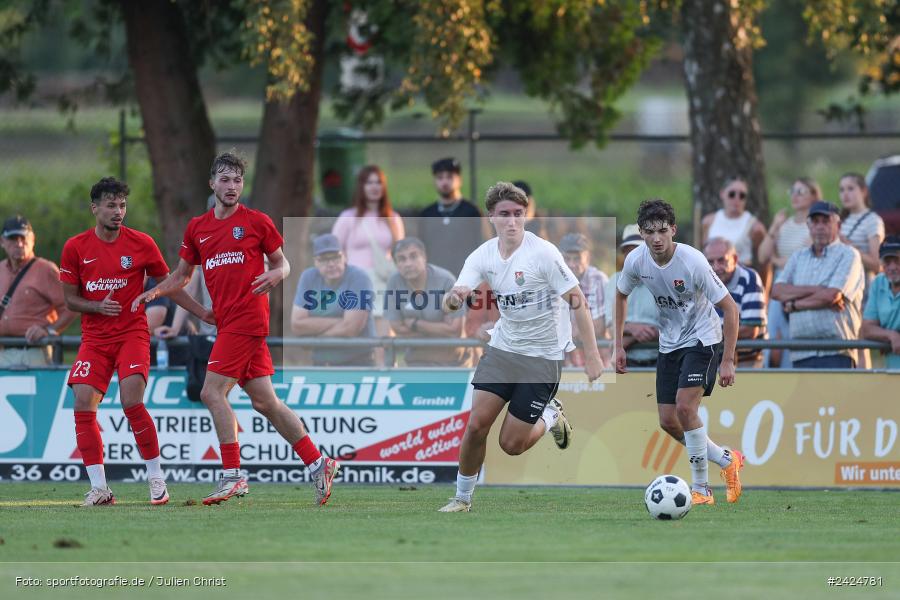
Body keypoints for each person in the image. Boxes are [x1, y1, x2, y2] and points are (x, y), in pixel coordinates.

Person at [134, 152, 339, 507]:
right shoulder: (198, 227)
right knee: (266, 401)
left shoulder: (256, 221)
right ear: (212, 184)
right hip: (227, 321)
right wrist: (157, 291)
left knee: (212, 393)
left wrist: (279, 273)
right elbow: (183, 276)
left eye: (238, 181)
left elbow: (283, 263)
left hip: (248, 318)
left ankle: (232, 476)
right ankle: (319, 462)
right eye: (225, 180)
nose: (232, 187)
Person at [438, 182, 603, 513]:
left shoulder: (543, 253)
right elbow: (455, 294)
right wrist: (453, 299)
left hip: (542, 358)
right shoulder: (483, 254)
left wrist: (594, 356)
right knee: (476, 425)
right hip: (503, 350)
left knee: (510, 444)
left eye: (518, 214)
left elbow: (578, 301)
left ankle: (551, 414)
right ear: (491, 218)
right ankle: (462, 498)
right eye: (504, 215)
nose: (512, 221)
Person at [60, 177, 210, 506]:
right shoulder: (75, 247)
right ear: (95, 208)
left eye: (122, 205)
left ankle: (156, 478)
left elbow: (171, 283)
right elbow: (69, 300)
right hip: (95, 339)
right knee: (83, 402)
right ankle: (100, 488)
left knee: (131, 401)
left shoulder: (142, 243)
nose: (118, 211)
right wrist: (96, 306)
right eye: (111, 205)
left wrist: (201, 312)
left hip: (131, 334)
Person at [615, 199, 744, 506]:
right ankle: (726, 459)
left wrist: (727, 360)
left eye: (662, 230)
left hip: (703, 339)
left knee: (686, 409)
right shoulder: (636, 261)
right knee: (668, 420)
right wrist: (617, 343)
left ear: (673, 229)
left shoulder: (693, 261)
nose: (656, 238)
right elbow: (620, 295)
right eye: (649, 232)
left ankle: (702, 489)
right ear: (642, 234)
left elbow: (730, 309)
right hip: (669, 342)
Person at [771, 201, 865, 369]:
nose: (820, 226)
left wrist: (794, 304)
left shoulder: (849, 255)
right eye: (815, 221)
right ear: (809, 226)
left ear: (838, 225)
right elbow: (777, 291)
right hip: (801, 350)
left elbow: (832, 295)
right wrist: (819, 290)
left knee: (836, 396)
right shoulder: (797, 256)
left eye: (826, 221)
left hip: (837, 350)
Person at [331, 165, 404, 365]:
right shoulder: (348, 217)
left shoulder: (393, 218)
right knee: (359, 337)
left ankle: (385, 378)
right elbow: (335, 252)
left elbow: (400, 253)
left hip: (382, 283)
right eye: (369, 182)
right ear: (361, 187)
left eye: (378, 182)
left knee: (384, 338)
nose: (374, 187)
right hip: (355, 284)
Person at [0, 215, 76, 367]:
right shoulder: (1, 269)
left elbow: (72, 307)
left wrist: (49, 331)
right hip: (3, 352)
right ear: (2, 241)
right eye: (13, 239)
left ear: (32, 239)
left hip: (34, 352)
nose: (19, 243)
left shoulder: (45, 269)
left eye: (23, 238)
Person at [758, 178, 819, 368]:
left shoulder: (815, 225)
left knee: (792, 333)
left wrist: (776, 261)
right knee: (773, 333)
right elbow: (762, 255)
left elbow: (800, 257)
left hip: (799, 285)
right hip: (779, 284)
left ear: (813, 196)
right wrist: (775, 227)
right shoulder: (784, 224)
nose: (795, 195)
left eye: (801, 191)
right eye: (792, 190)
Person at [291, 233, 376, 366]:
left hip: (358, 362)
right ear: (315, 262)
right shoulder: (308, 277)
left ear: (345, 257)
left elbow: (351, 328)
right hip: (320, 362)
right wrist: (341, 321)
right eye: (324, 259)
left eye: (336, 257)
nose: (331, 264)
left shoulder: (360, 278)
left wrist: (315, 340)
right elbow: (297, 324)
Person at [385, 237, 469, 367]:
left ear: (424, 257)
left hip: (454, 362)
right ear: (396, 264)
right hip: (416, 361)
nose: (408, 263)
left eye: (413, 257)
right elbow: (397, 328)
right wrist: (439, 328)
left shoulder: (446, 281)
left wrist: (414, 324)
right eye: (401, 259)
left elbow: (455, 330)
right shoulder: (394, 282)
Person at [703, 238, 767, 368]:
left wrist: (706, 334)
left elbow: (750, 331)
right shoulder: (702, 280)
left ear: (735, 260)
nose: (716, 267)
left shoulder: (750, 278)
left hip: (746, 360)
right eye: (710, 262)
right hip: (710, 360)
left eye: (721, 260)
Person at [604, 224, 660, 368]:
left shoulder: (663, 279)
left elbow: (671, 327)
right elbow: (609, 327)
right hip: (625, 362)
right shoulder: (614, 281)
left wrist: (629, 336)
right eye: (627, 251)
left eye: (637, 250)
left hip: (661, 360)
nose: (631, 256)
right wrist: (634, 329)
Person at [418, 157, 483, 277]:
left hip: (465, 278)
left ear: (459, 180)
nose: (444, 182)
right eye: (440, 177)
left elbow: (482, 244)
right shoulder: (427, 213)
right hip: (435, 278)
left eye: (449, 177)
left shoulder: (472, 212)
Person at [557, 232, 609, 368]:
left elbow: (599, 326)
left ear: (588, 257)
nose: (572, 264)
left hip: (595, 355)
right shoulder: (554, 279)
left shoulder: (598, 280)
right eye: (567, 259)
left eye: (577, 258)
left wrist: (566, 330)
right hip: (563, 358)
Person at [701, 176, 768, 269]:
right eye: (732, 194)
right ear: (722, 194)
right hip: (712, 275)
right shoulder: (708, 221)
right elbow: (702, 253)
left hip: (740, 276)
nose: (737, 198)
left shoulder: (756, 227)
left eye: (742, 195)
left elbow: (764, 261)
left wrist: (763, 283)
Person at [839, 172, 885, 292]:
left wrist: (849, 247)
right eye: (842, 190)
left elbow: (877, 265)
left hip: (862, 287)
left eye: (850, 188)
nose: (845, 194)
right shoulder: (840, 219)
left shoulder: (873, 220)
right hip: (841, 285)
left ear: (864, 191)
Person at [859, 236, 900, 370]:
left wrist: (882, 334)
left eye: (898, 261)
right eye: (887, 262)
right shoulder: (879, 282)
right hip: (892, 368)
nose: (892, 267)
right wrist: (891, 335)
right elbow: (867, 329)